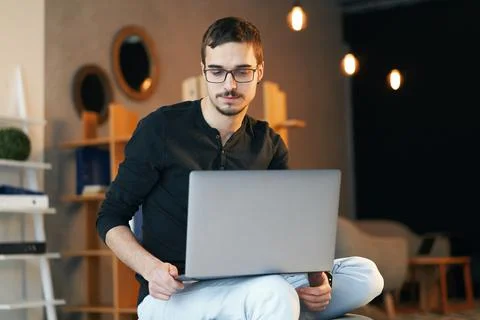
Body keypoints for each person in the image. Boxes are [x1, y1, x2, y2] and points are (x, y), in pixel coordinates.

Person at [96, 16, 384, 320]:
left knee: (366, 275)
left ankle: (278, 308)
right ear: (204, 71)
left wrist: (318, 278)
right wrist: (150, 269)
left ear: (259, 72)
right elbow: (110, 216)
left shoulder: (267, 142)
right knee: (275, 293)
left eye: (242, 72)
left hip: (252, 283)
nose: (229, 85)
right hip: (181, 293)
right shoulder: (161, 129)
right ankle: (277, 306)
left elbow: (290, 225)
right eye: (217, 72)